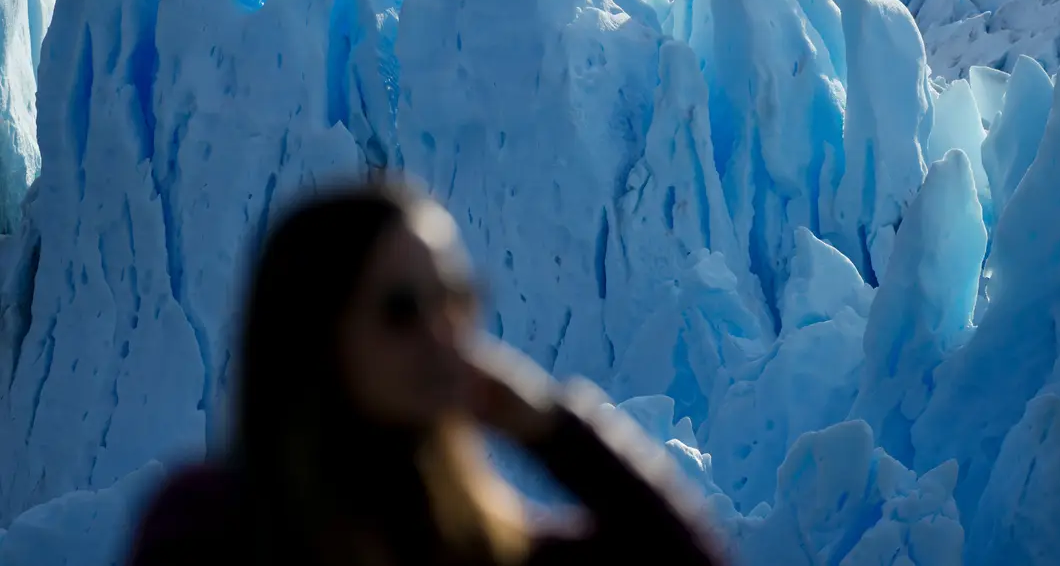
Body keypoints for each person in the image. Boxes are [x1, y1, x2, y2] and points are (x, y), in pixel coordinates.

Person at [126, 182, 729, 566]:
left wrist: (548, 424)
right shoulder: (211, 530)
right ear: (315, 334)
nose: (442, 335)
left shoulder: (483, 543)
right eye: (402, 311)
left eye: (455, 301)